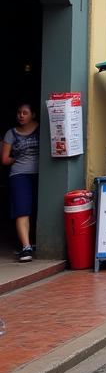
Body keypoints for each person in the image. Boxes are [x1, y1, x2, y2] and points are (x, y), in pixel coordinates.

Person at [2, 103, 40, 262]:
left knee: (38, 209)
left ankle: (36, 242)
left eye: (25, 113)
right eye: (19, 112)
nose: (21, 116)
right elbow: (4, 159)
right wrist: (16, 158)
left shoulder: (41, 129)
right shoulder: (11, 133)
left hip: (42, 174)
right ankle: (26, 247)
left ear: (33, 115)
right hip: (19, 174)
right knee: (22, 210)